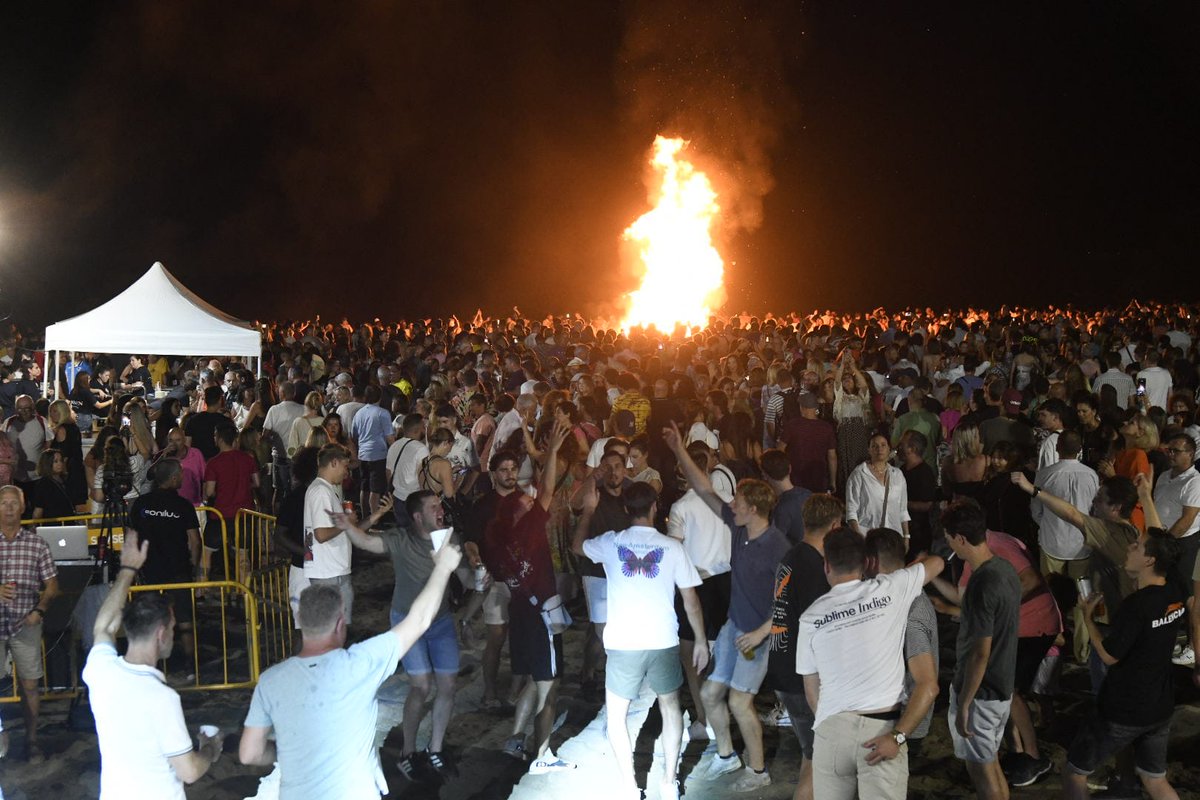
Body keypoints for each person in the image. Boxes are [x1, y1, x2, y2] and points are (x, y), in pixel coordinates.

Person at [238, 544, 463, 799]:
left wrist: (286, 751)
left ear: (302, 621)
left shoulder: (270, 681)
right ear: (340, 623)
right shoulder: (360, 664)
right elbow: (419, 619)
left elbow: (249, 753)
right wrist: (443, 568)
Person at [665, 421, 789, 792]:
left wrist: (759, 633)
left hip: (758, 637)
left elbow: (787, 601)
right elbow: (703, 488)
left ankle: (758, 771)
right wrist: (677, 449)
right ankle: (725, 756)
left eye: (737, 503)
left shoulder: (778, 546)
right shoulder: (739, 530)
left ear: (752, 509)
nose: (729, 505)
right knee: (708, 695)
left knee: (739, 703)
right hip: (735, 629)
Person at [574, 480, 709, 800]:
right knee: (671, 708)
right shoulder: (673, 548)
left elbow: (577, 546)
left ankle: (629, 787)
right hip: (662, 638)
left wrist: (589, 511)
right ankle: (668, 782)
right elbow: (691, 600)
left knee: (617, 715)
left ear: (625, 509)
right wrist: (701, 639)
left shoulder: (610, 543)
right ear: (654, 507)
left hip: (623, 641)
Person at [794, 527, 945, 800]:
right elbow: (937, 562)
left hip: (832, 732)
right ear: (866, 563)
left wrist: (832, 726)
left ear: (826, 565)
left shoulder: (810, 617)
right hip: (882, 732)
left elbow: (811, 689)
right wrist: (899, 737)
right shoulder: (891, 589)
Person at [331, 490, 463, 783]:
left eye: (440, 506)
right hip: (406, 620)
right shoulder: (400, 539)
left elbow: (463, 574)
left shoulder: (449, 539)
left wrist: (479, 575)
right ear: (418, 517)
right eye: (434, 507)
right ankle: (407, 753)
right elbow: (367, 542)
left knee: (449, 684)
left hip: (440, 621)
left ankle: (436, 749)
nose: (441, 511)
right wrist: (347, 526)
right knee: (421, 686)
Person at [84, 530, 221, 797]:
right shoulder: (161, 697)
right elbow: (189, 771)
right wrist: (210, 749)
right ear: (161, 634)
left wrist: (127, 570)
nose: (174, 633)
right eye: (172, 627)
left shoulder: (101, 670)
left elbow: (103, 626)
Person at [1061, 529, 1186, 800]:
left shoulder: (1137, 606)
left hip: (1124, 708)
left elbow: (1109, 656)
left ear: (1150, 559)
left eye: (1137, 546)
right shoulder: (1174, 590)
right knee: (1155, 779)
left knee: (1075, 772)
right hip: (1160, 704)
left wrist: (1089, 619)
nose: (1129, 547)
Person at [485, 421, 574, 773]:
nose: (529, 497)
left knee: (535, 682)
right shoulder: (531, 526)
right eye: (525, 500)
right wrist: (550, 452)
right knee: (549, 687)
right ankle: (543, 755)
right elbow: (549, 489)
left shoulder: (498, 539)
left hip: (520, 610)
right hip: (541, 615)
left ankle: (515, 738)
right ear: (520, 513)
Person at [763, 493, 843, 800]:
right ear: (835, 525)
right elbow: (817, 629)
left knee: (812, 755)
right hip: (802, 678)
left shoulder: (792, 556)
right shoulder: (814, 567)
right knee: (817, 759)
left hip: (783, 668)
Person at [943, 499, 1021, 800]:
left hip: (982, 693)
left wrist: (964, 702)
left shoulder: (981, 583)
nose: (951, 546)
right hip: (1001, 686)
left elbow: (980, 652)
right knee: (991, 764)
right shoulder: (1004, 568)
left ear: (961, 539)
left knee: (981, 769)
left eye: (950, 540)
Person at [864, 527, 940, 763]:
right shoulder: (900, 595)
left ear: (871, 562)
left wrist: (897, 737)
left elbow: (928, 684)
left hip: (901, 726)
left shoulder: (910, 610)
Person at [0, 484, 58, 761]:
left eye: (14, 503)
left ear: (23, 507)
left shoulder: (36, 543)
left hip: (26, 622)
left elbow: (52, 586)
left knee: (30, 685)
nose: (9, 507)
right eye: (4, 503)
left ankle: (32, 739)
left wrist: (41, 610)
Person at [128, 459, 202, 671]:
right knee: (185, 616)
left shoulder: (141, 504)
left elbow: (131, 536)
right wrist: (194, 569)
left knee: (151, 618)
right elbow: (195, 542)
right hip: (178, 569)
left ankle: (151, 664)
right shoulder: (183, 506)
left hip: (149, 570)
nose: (182, 477)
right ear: (172, 478)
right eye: (180, 473)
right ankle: (191, 665)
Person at [201, 422, 259, 581]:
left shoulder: (213, 463)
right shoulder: (248, 459)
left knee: (207, 552)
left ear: (219, 439)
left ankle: (200, 591)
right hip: (244, 514)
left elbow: (210, 492)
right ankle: (244, 592)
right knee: (242, 554)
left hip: (220, 514)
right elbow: (257, 482)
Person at [845, 433, 911, 538]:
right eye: (874, 446)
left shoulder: (897, 475)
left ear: (889, 448)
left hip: (893, 535)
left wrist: (906, 536)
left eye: (883, 445)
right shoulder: (859, 474)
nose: (879, 449)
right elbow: (851, 510)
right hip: (867, 535)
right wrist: (858, 536)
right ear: (869, 450)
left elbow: (903, 509)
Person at [778, 391, 837, 494]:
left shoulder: (793, 425)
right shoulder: (827, 427)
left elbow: (780, 450)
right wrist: (833, 481)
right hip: (819, 476)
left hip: (796, 477)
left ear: (802, 407)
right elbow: (832, 456)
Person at [352, 384, 397, 514]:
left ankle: (365, 515)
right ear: (380, 397)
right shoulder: (383, 413)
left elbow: (353, 435)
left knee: (364, 487)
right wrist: (395, 451)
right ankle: (374, 519)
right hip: (378, 454)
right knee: (375, 489)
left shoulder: (359, 413)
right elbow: (389, 437)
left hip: (363, 454)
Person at [761, 447, 811, 545]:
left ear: (765, 475)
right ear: (790, 468)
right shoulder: (808, 495)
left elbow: (774, 544)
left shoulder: (781, 508)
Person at [183, 386, 228, 461]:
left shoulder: (192, 420)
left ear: (205, 400)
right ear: (220, 400)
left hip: (198, 461)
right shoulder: (225, 421)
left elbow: (187, 446)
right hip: (219, 461)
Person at [30, 449, 75, 520]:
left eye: (61, 460)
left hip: (68, 523)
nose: (60, 464)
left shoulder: (66, 481)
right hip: (52, 526)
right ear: (47, 463)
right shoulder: (43, 484)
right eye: (55, 461)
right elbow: (38, 509)